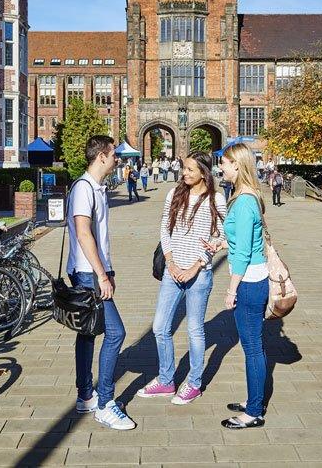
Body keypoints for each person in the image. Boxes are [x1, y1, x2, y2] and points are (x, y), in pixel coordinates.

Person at [138, 152, 227, 405]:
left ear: (203, 172)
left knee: (194, 331)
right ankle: (166, 380)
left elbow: (221, 236)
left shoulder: (216, 200)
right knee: (160, 327)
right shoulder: (174, 194)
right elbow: (165, 229)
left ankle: (194, 383)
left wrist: (197, 265)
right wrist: (171, 261)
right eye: (183, 168)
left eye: (189, 169)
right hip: (172, 270)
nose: (184, 173)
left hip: (199, 274)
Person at [67, 135, 135, 431]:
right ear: (101, 157)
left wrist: (109, 269)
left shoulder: (95, 188)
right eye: (113, 154)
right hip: (88, 274)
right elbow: (84, 234)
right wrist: (102, 275)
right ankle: (106, 403)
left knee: (87, 333)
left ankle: (85, 396)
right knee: (116, 333)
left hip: (91, 271)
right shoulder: (84, 188)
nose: (117, 159)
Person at [204, 143, 269, 429]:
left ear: (238, 166)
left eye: (226, 163)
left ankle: (254, 411)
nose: (222, 167)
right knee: (254, 345)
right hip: (253, 278)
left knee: (253, 347)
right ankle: (254, 398)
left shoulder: (243, 201)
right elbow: (244, 242)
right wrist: (220, 244)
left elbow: (243, 253)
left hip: (249, 283)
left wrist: (231, 290)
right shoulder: (246, 196)